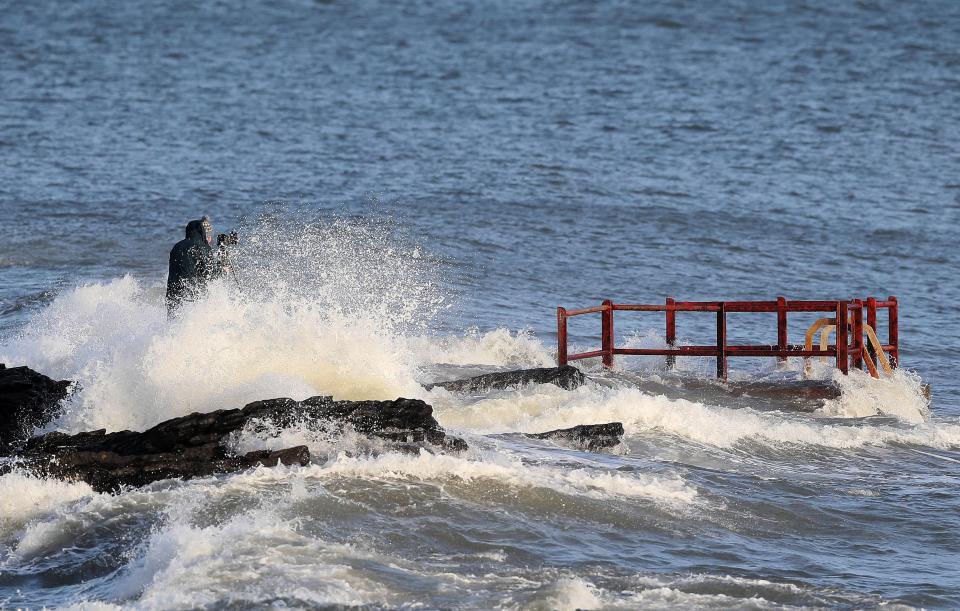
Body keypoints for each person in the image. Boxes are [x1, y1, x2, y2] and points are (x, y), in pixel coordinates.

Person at [166, 218, 219, 314]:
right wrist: (223, 270)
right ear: (202, 233)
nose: (210, 238)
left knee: (173, 325)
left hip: (172, 297)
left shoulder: (176, 246)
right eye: (208, 235)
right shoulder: (201, 246)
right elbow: (211, 274)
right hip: (191, 299)